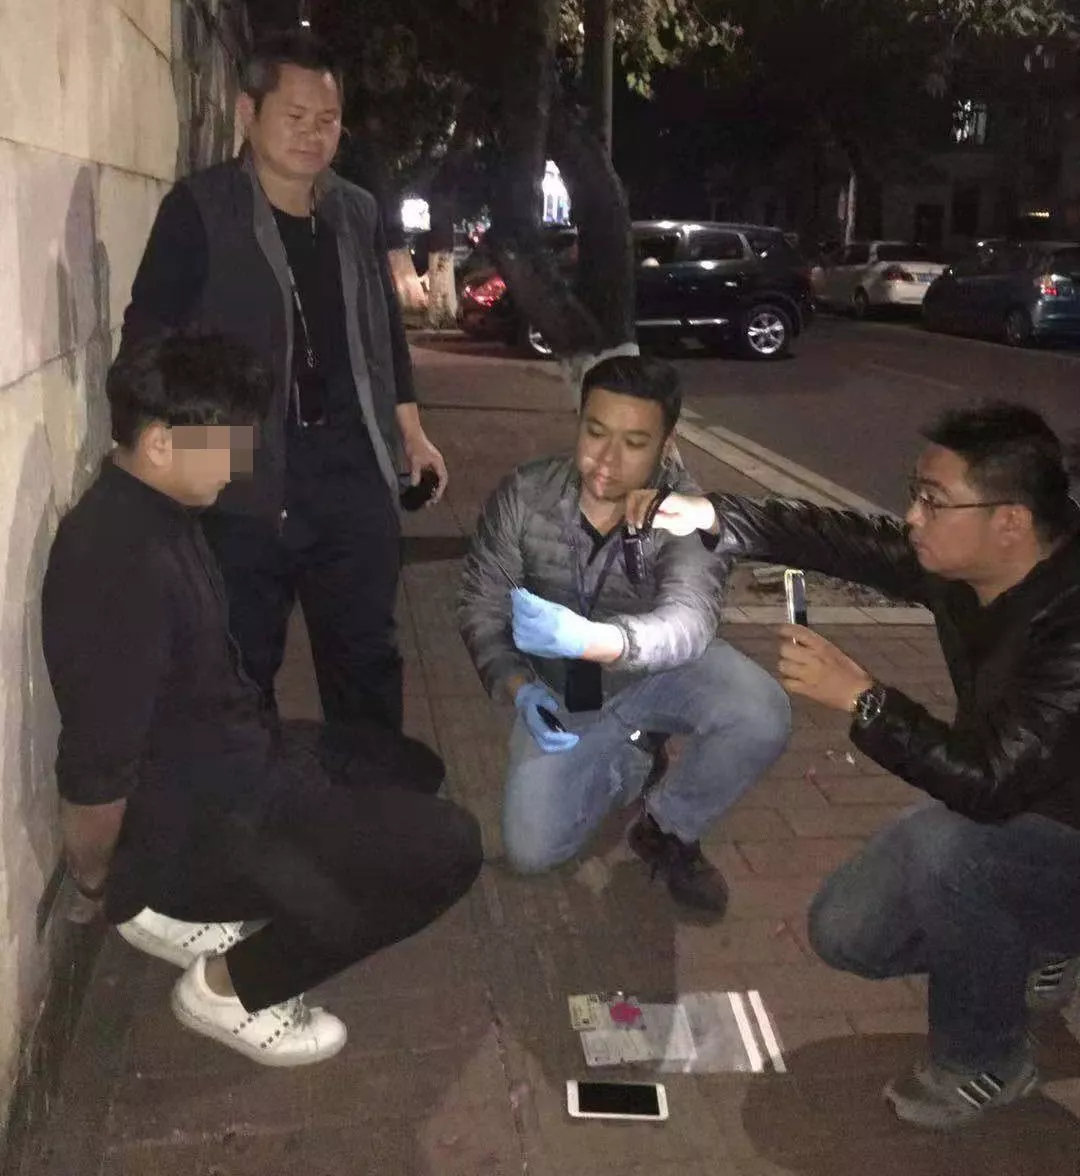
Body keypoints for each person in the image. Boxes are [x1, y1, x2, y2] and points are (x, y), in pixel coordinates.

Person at [627, 401, 1080, 1129]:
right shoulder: (969, 568)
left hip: (1046, 824)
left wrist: (866, 700)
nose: (911, 516)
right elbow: (847, 540)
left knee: (946, 847)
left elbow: (988, 784)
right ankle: (1042, 937)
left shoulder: (1069, 621)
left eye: (933, 501)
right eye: (914, 493)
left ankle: (988, 1058)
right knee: (850, 932)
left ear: (1010, 522)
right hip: (1026, 810)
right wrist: (718, 514)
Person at [43, 334, 481, 1066]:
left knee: (409, 770)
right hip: (203, 822)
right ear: (159, 443)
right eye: (224, 448)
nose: (237, 466)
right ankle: (228, 989)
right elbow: (94, 769)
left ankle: (199, 906)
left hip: (239, 765)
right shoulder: (119, 565)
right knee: (449, 850)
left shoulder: (157, 508)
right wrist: (102, 885)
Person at [120, 30, 445, 785]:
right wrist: (163, 460)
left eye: (327, 119)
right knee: (239, 663)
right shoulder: (201, 209)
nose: (312, 134)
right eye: (294, 116)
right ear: (248, 112)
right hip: (240, 470)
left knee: (366, 656)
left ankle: (371, 808)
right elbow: (147, 339)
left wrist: (411, 431)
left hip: (350, 467)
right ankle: (249, 813)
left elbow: (383, 332)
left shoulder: (356, 211)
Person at [458, 356, 790, 917]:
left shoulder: (685, 509)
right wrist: (518, 686)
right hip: (564, 687)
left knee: (761, 711)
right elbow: (480, 602)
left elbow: (689, 620)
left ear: (666, 443)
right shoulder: (525, 493)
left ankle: (668, 825)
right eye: (595, 432)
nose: (607, 461)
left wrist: (598, 641)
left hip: (657, 670)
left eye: (635, 442)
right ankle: (636, 754)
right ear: (578, 421)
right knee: (532, 851)